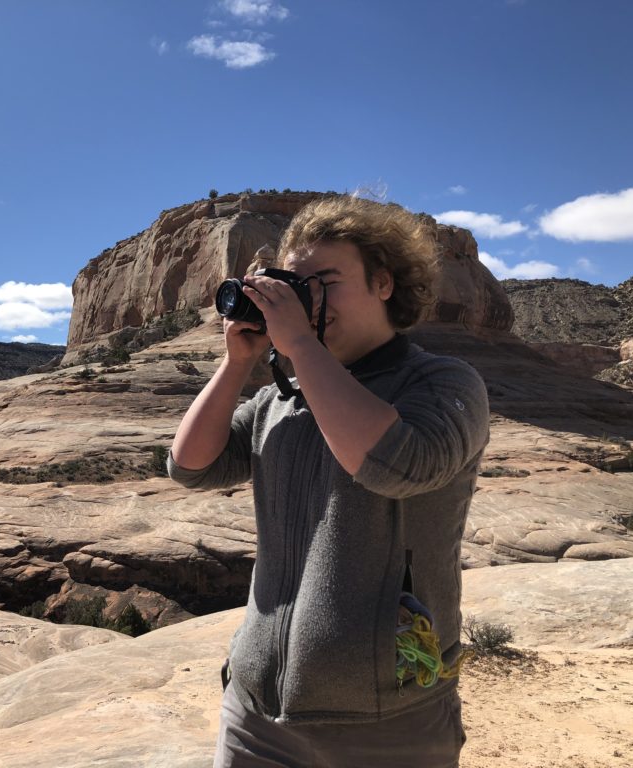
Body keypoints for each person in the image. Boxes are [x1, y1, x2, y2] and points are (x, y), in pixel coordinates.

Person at [167, 195, 490, 767]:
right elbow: (191, 466)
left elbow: (396, 465)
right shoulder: (278, 399)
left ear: (384, 283)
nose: (305, 300)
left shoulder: (443, 383)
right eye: (295, 284)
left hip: (390, 720)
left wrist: (300, 346)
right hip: (257, 710)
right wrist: (237, 362)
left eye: (325, 282)